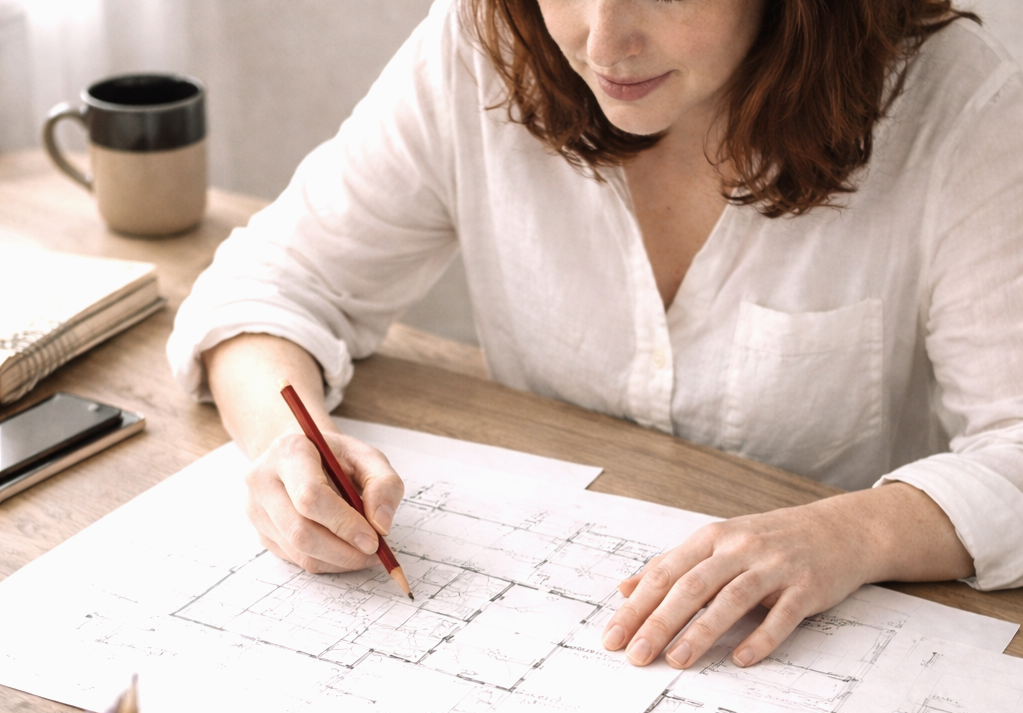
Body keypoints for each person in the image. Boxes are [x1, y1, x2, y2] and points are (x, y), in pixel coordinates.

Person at [168, 0, 1023, 672]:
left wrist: (853, 533)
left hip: (822, 648)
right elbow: (273, 284)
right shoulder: (478, 45)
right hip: (543, 616)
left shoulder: (956, 106)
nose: (604, 41)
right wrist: (285, 446)